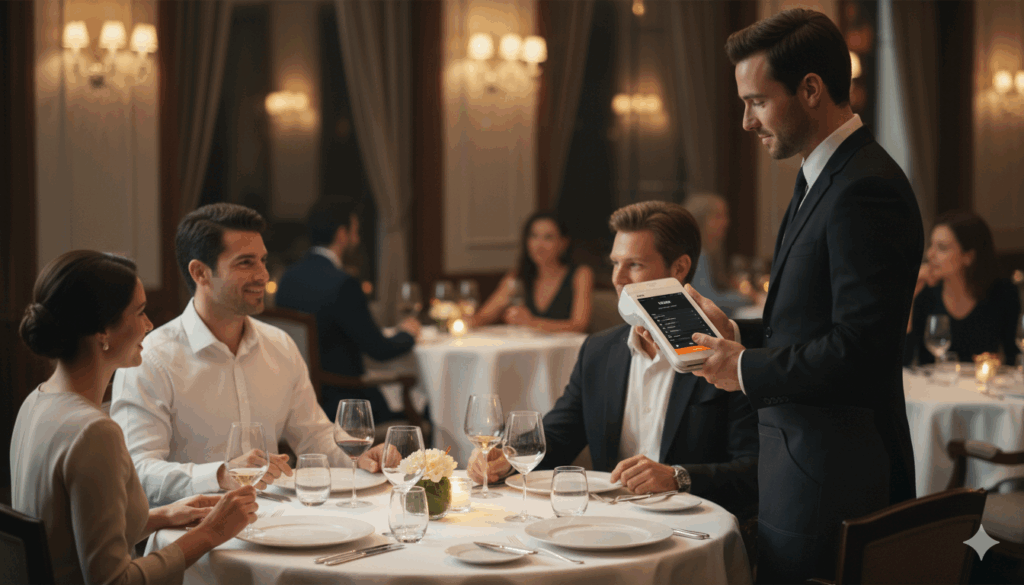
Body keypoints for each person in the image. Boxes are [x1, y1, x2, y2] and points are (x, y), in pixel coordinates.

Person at [690, 10, 924, 583]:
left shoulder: (866, 187)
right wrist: (737, 335)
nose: (747, 121)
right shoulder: (821, 175)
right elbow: (812, 325)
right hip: (803, 465)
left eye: (757, 101)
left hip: (836, 474)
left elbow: (858, 349)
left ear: (812, 90)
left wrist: (744, 367)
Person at [469, 201, 758, 520]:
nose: (618, 278)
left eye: (633, 264)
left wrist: (677, 477)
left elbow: (752, 469)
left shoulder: (726, 353)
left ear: (678, 268)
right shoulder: (600, 350)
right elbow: (561, 433)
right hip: (610, 522)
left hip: (694, 525)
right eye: (615, 263)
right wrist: (508, 455)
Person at [112, 203, 384, 506]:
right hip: (191, 534)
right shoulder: (151, 359)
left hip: (276, 519)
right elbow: (137, 472)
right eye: (246, 263)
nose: (262, 275)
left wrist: (358, 458)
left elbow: (314, 437)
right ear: (200, 272)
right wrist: (220, 475)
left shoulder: (279, 345)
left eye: (263, 261)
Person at [12, 250, 256, 584]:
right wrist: (212, 533)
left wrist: (162, 516)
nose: (149, 324)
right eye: (140, 312)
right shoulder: (94, 432)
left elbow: (67, 534)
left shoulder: (36, 402)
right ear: (103, 332)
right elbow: (114, 581)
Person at [275, 197, 421, 423]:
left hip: (299, 403)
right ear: (342, 235)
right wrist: (409, 334)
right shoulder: (344, 284)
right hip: (345, 404)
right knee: (424, 405)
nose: (357, 239)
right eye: (355, 232)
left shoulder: (288, 278)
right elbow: (378, 350)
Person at [906, 210, 1021, 366]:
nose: (930, 254)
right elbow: (904, 362)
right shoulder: (925, 292)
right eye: (931, 245)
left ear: (969, 257)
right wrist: (909, 297)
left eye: (942, 248)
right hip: (934, 388)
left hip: (982, 388)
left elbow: (1015, 358)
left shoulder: (1003, 293)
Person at [469, 211, 594, 333]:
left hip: (568, 351)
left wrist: (531, 322)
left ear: (563, 243)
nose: (539, 245)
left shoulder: (581, 274)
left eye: (548, 238)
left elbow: (580, 325)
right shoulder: (517, 277)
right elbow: (484, 316)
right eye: (533, 236)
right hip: (528, 351)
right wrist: (464, 320)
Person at [683, 193, 756, 317]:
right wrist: (748, 298)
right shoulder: (698, 254)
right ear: (700, 220)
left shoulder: (709, 252)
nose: (726, 222)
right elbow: (708, 299)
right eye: (718, 217)